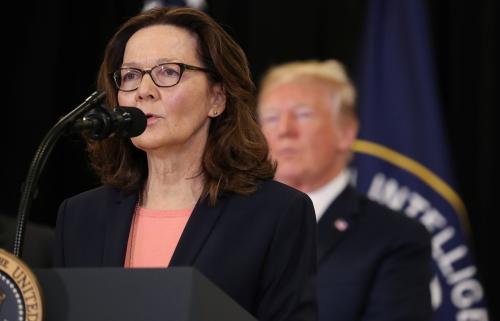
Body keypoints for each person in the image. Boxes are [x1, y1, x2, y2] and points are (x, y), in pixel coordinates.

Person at [54, 7, 317, 321]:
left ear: (217, 98)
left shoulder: (277, 214)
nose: (143, 91)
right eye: (131, 75)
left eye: (168, 71)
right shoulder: (80, 217)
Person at [258, 59, 432, 321]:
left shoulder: (396, 238)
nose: (284, 130)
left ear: (346, 133)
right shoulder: (234, 225)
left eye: (303, 114)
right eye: (271, 118)